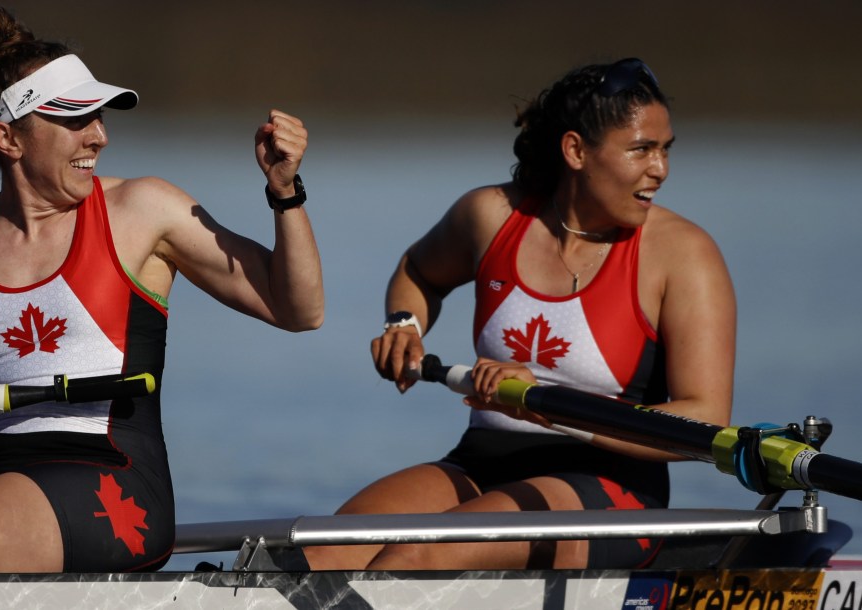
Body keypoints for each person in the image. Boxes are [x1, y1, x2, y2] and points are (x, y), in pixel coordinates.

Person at [0, 5, 322, 574]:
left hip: (113, 482)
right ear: (8, 138)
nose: (99, 136)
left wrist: (285, 192)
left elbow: (298, 308)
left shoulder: (142, 211)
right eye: (76, 118)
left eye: (99, 117)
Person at [304, 58, 734, 571]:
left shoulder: (683, 253)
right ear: (575, 150)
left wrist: (550, 405)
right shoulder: (490, 216)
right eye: (641, 149)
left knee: (411, 559)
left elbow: (707, 419)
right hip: (483, 461)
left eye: (665, 150)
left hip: (609, 489)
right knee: (314, 556)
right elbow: (418, 271)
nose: (660, 169)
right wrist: (404, 325)